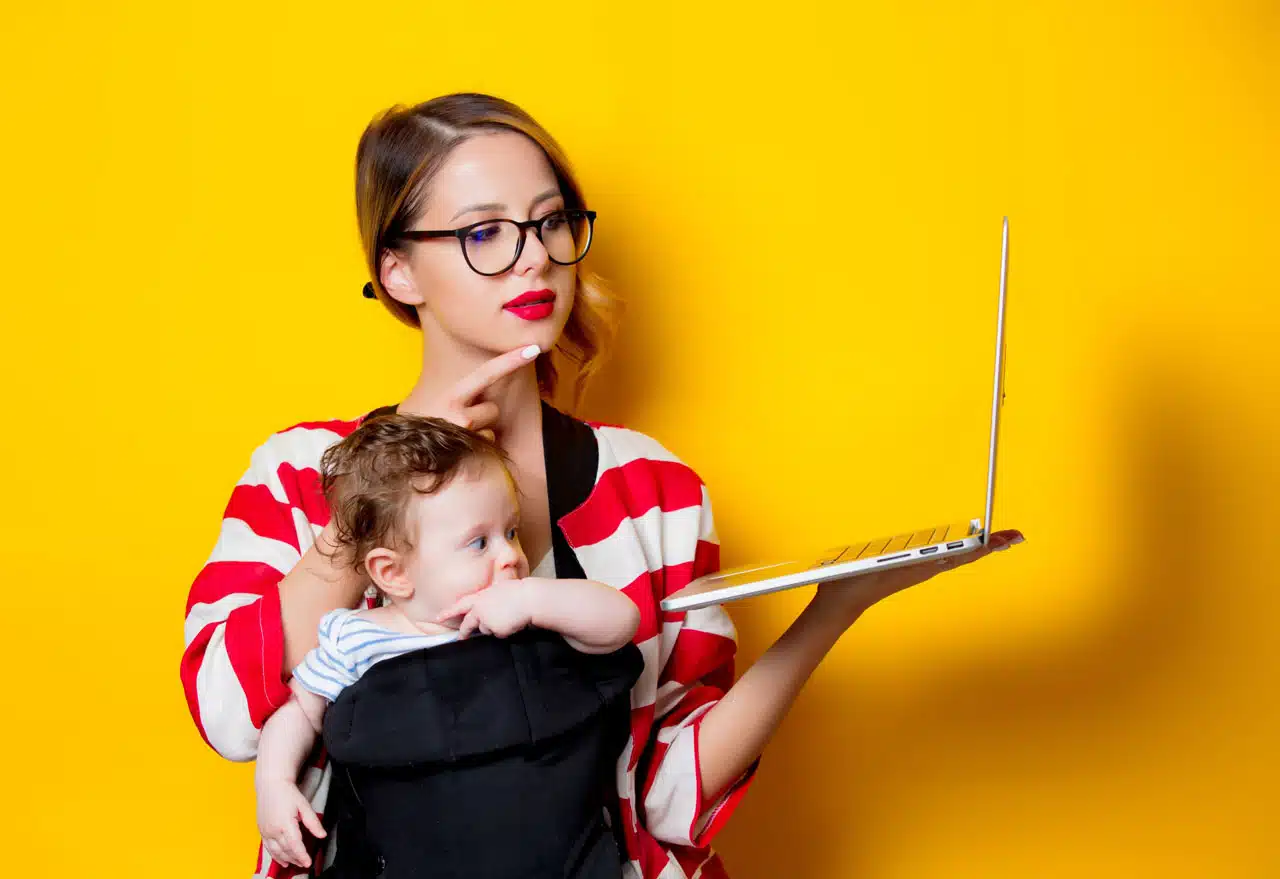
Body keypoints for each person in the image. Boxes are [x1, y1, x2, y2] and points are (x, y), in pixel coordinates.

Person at [179, 92, 1024, 879]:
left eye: (551, 224)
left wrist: (836, 608)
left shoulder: (654, 489)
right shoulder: (302, 473)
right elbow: (229, 716)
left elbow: (670, 799)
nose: (535, 259)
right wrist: (373, 494)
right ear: (398, 271)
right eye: (485, 233)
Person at [255, 413, 643, 878]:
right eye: (479, 543)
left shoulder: (528, 613)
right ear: (394, 574)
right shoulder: (358, 638)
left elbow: (622, 623)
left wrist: (536, 598)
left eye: (512, 532)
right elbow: (298, 710)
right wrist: (274, 783)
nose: (511, 557)